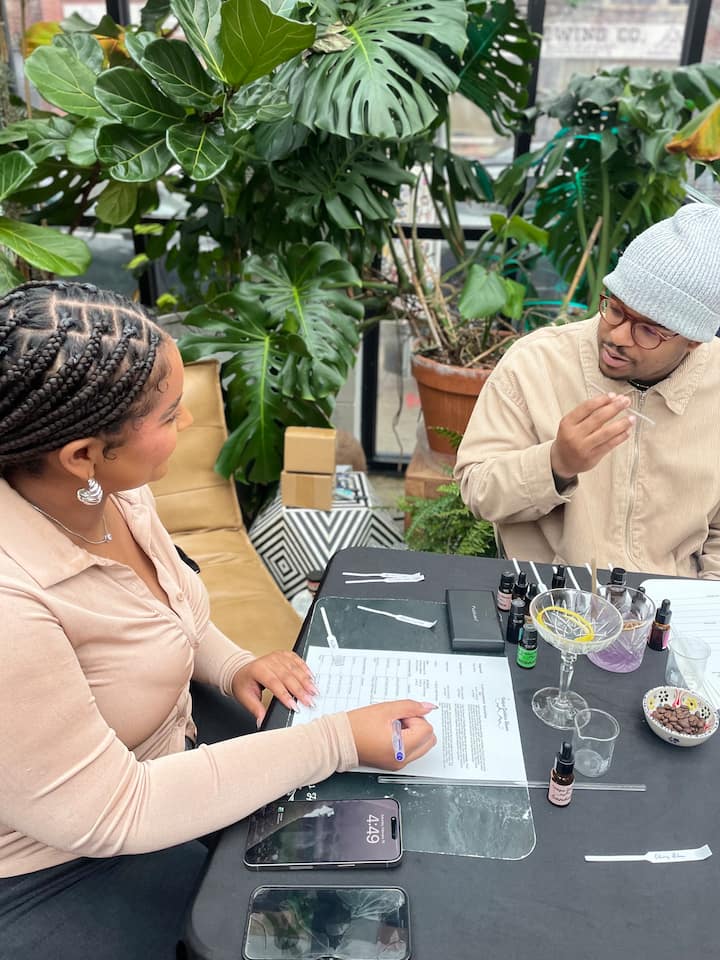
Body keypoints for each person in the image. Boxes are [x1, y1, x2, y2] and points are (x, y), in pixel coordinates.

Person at [0, 280, 437, 959]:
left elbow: (168, 612)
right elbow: (114, 810)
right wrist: (337, 740)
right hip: (61, 860)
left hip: (171, 747)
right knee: (299, 928)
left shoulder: (113, 492)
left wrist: (232, 663)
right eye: (170, 415)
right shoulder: (12, 605)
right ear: (82, 455)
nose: (189, 426)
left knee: (381, 844)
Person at [455, 202, 720, 578]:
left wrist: (704, 600)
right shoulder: (536, 362)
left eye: (648, 330)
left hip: (672, 604)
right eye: (615, 309)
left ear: (693, 341)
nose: (618, 336)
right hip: (550, 599)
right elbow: (477, 489)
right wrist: (556, 464)